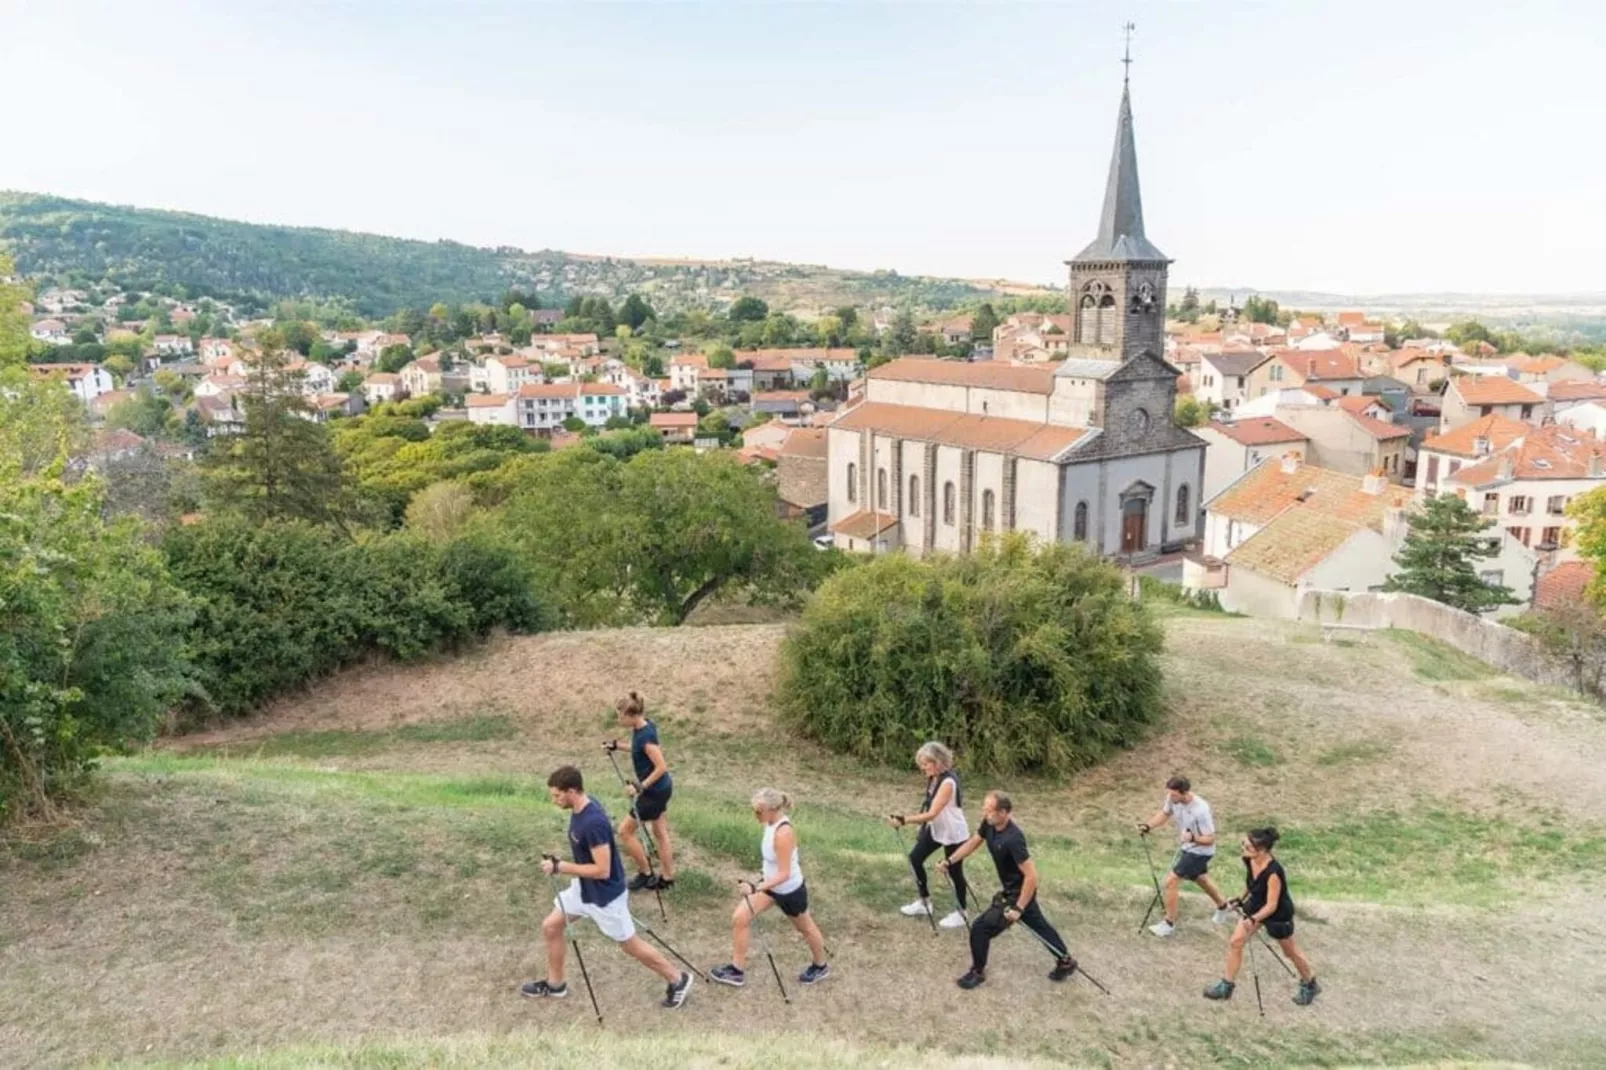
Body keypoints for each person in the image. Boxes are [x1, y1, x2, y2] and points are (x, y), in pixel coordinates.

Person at [521, 765, 693, 1010]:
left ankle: (677, 979)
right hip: (583, 890)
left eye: (557, 795)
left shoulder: (592, 823)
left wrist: (561, 867)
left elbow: (603, 870)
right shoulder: (584, 808)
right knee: (551, 926)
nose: (554, 800)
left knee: (629, 945)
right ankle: (555, 984)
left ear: (572, 791)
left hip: (604, 898)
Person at [939, 790, 1078, 989]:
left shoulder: (1014, 839)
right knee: (1039, 925)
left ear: (1003, 812)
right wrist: (950, 860)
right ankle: (1066, 961)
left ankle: (977, 972)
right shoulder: (989, 824)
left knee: (980, 929)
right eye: (985, 809)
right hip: (1012, 891)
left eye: (989, 811)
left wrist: (1019, 908)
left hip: (1019, 894)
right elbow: (972, 842)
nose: (984, 814)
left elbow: (1031, 876)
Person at [709, 788, 831, 988]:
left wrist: (755, 886)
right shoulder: (769, 824)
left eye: (759, 811)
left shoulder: (783, 833)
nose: (755, 815)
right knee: (740, 917)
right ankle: (736, 970)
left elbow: (784, 873)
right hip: (769, 886)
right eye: (754, 810)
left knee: (806, 929)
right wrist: (761, 881)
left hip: (789, 890)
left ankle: (820, 965)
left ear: (773, 810)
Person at [1204, 826, 1320, 1006]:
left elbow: (1272, 905)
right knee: (1236, 941)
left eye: (1248, 847)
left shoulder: (1274, 872)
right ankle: (1226, 986)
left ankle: (1310, 983)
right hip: (1258, 904)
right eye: (1244, 844)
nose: (1244, 849)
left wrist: (1253, 919)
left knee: (1290, 952)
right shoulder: (1249, 859)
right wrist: (1240, 900)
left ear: (1263, 850)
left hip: (1278, 914)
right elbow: (1252, 883)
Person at [1137, 775, 1234, 936]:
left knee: (1171, 881)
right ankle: (1223, 906)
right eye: (1169, 794)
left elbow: (1210, 839)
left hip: (1201, 851)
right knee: (1200, 878)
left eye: (1174, 795)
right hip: (1188, 847)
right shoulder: (1172, 799)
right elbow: (1165, 813)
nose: (1170, 797)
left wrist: (1193, 838)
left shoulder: (1200, 810)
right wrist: (1148, 826)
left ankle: (1169, 923)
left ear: (1185, 792)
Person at [889, 741, 969, 929]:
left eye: (926, 763)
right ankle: (924, 903)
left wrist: (904, 820)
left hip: (954, 833)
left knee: (955, 872)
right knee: (915, 859)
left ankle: (962, 913)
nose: (922, 767)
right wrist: (922, 827)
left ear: (938, 762)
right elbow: (929, 809)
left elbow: (933, 812)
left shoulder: (948, 782)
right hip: (936, 829)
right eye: (921, 764)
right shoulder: (934, 778)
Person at [606, 691, 677, 892]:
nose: (619, 719)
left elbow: (662, 766)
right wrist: (617, 746)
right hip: (662, 788)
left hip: (654, 792)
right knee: (660, 832)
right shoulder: (644, 727)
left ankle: (646, 873)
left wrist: (640, 787)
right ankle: (667, 877)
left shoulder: (645, 735)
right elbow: (639, 748)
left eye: (621, 716)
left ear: (632, 715)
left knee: (624, 831)